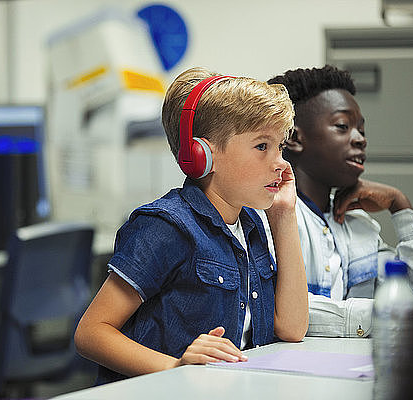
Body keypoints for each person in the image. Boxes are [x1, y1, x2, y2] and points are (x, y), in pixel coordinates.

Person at [74, 67, 309, 385]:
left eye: (279, 147)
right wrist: (176, 367)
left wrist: (284, 217)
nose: (281, 162)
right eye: (261, 146)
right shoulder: (165, 227)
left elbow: (293, 328)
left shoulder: (250, 224)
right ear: (203, 156)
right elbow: (91, 333)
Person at [265, 65, 413, 338]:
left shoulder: (359, 226)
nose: (360, 139)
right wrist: (383, 313)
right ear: (295, 138)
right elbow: (271, 308)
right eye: (343, 126)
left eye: (361, 130)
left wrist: (399, 204)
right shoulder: (267, 217)